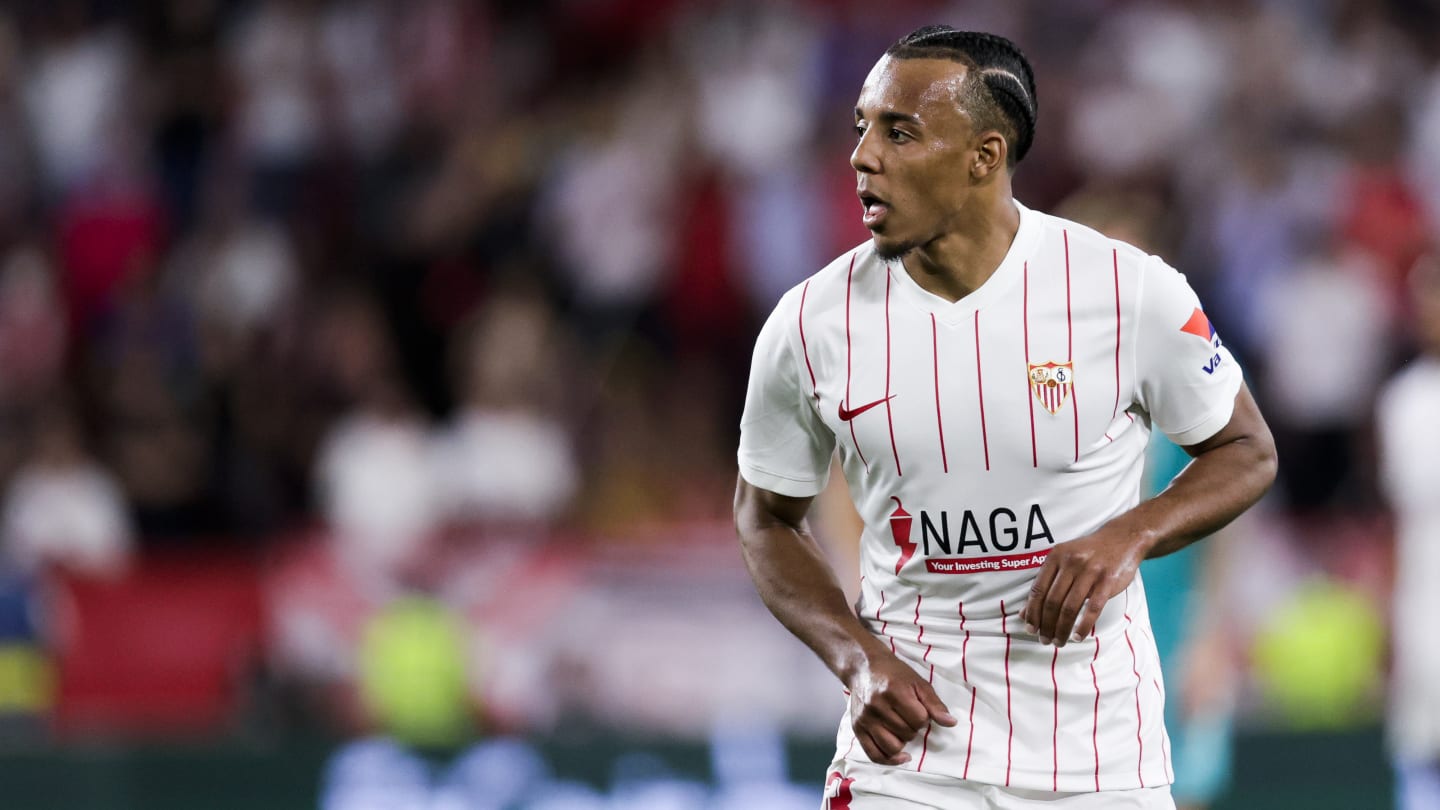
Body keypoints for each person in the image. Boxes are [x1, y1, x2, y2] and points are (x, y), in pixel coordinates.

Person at [733, 26, 1277, 809]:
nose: (863, 156)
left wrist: (1130, 534)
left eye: (899, 132)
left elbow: (1247, 449)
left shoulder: (1130, 290)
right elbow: (765, 516)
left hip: (1098, 761)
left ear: (984, 156)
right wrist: (855, 659)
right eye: (861, 128)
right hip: (907, 763)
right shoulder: (810, 321)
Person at [1376, 254, 1440, 810]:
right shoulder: (1403, 402)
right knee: (1420, 750)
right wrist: (1389, 614)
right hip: (1423, 604)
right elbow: (1396, 519)